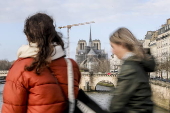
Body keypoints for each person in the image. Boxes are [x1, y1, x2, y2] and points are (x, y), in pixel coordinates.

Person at [2, 13, 81, 113]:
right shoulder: (71, 65)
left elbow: (12, 109)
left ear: (28, 37)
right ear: (53, 34)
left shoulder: (20, 68)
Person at [109, 28, 155, 113]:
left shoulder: (129, 68)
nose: (112, 51)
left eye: (113, 46)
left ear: (122, 45)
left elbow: (116, 105)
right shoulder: (138, 62)